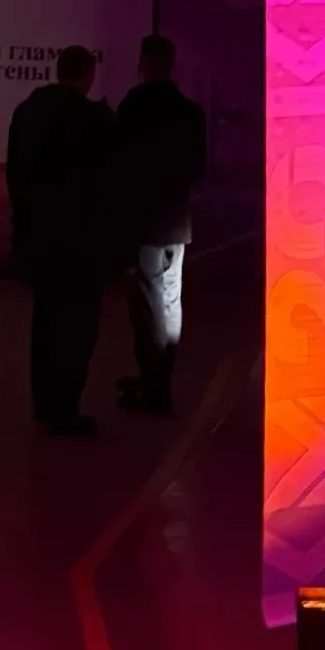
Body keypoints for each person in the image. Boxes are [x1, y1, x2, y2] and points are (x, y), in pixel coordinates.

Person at [6, 44, 119, 437]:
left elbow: (16, 178)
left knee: (46, 322)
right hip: (82, 244)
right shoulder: (95, 121)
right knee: (78, 329)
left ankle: (44, 403)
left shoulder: (26, 113)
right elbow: (109, 187)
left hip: (40, 238)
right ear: (88, 75)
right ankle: (65, 407)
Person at [111, 32, 207, 417]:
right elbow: (198, 168)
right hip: (176, 222)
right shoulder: (190, 111)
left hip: (143, 221)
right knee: (169, 299)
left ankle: (154, 388)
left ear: (144, 62)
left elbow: (119, 164)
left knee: (147, 306)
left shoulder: (134, 105)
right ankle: (159, 378)